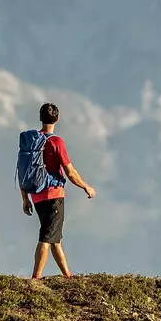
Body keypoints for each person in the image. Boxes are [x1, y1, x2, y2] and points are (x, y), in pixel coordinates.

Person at [17, 103, 95, 279]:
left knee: (55, 238)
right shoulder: (56, 142)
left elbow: (23, 171)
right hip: (54, 195)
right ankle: (35, 279)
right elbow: (70, 172)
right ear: (57, 119)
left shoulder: (31, 141)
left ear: (40, 117)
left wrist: (25, 199)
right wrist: (86, 187)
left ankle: (68, 276)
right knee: (46, 238)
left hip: (36, 196)